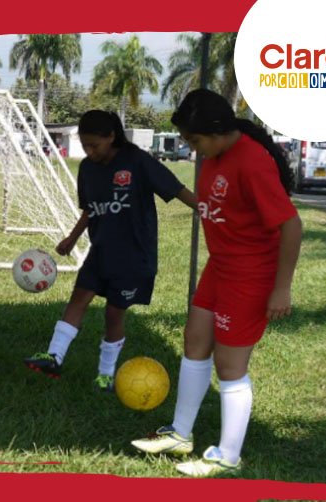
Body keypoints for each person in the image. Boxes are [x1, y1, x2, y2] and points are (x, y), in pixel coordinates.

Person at [130, 89, 302, 477]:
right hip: (220, 266)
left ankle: (228, 454)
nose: (193, 149)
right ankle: (180, 433)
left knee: (229, 364)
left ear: (217, 130)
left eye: (194, 141)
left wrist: (282, 287)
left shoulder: (252, 162)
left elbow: (291, 225)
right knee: (194, 339)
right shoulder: (213, 157)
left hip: (251, 272)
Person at [23, 110, 198, 391]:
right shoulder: (88, 169)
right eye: (85, 145)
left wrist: (208, 210)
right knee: (78, 298)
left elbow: (176, 189)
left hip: (133, 255)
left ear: (111, 137)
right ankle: (53, 356)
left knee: (114, 314)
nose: (90, 151)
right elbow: (91, 209)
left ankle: (105, 374)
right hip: (101, 249)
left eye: (95, 145)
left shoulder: (137, 161)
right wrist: (72, 237)